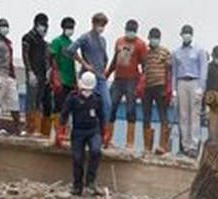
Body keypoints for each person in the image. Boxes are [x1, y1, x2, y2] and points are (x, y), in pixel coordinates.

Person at [55, 71, 105, 196]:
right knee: (77, 158)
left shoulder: (97, 99)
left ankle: (90, 182)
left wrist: (104, 133)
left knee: (95, 151)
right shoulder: (73, 98)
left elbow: (102, 117)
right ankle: (77, 186)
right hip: (78, 132)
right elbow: (64, 115)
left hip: (94, 131)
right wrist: (60, 133)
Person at [66, 12, 111, 145]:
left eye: (103, 25)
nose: (101, 27)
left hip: (101, 77)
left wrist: (104, 69)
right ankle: (74, 132)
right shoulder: (85, 37)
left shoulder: (102, 40)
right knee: (83, 106)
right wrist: (84, 63)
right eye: (100, 24)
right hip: (88, 78)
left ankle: (103, 135)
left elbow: (105, 57)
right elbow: (71, 50)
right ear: (94, 24)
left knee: (106, 105)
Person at [106, 19, 147, 149]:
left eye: (133, 31)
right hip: (118, 79)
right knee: (111, 107)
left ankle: (129, 142)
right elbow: (114, 60)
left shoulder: (141, 44)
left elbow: (145, 66)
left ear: (136, 31)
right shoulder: (119, 41)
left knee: (130, 109)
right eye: (128, 30)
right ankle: (107, 138)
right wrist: (106, 74)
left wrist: (141, 83)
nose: (130, 33)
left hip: (132, 80)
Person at [171, 24, 207, 156]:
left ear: (192, 35)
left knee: (195, 116)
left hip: (195, 82)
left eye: (188, 33)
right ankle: (185, 146)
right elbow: (174, 72)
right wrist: (173, 91)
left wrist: (201, 89)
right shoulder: (176, 52)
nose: (186, 35)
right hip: (181, 82)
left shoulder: (199, 51)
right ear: (181, 35)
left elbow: (203, 70)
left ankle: (194, 145)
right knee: (183, 116)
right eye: (184, 33)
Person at [142, 27, 172, 154]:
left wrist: (168, 89)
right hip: (147, 88)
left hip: (161, 87)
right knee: (146, 116)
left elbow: (170, 69)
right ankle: (147, 147)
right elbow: (143, 68)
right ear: (149, 38)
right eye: (153, 38)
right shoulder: (146, 53)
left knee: (163, 115)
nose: (155, 40)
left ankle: (162, 146)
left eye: (157, 38)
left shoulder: (165, 51)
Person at [21, 13, 51, 137]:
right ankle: (29, 128)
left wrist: (48, 71)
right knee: (31, 101)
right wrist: (29, 71)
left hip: (42, 74)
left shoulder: (43, 42)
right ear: (36, 24)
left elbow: (45, 58)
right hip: (33, 73)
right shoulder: (28, 38)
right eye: (42, 25)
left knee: (38, 102)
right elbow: (25, 55)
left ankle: (37, 129)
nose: (44, 28)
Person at [48, 17, 77, 138]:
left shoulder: (71, 43)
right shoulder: (57, 41)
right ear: (63, 27)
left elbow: (73, 63)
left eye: (72, 27)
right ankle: (56, 131)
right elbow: (52, 58)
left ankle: (65, 132)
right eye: (68, 27)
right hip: (60, 79)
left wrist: (75, 81)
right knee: (58, 106)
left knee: (68, 107)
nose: (70, 29)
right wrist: (55, 77)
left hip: (70, 80)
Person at [203, 45, 218, 132]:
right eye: (217, 57)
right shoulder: (207, 68)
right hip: (209, 100)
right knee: (211, 123)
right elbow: (204, 85)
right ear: (213, 56)